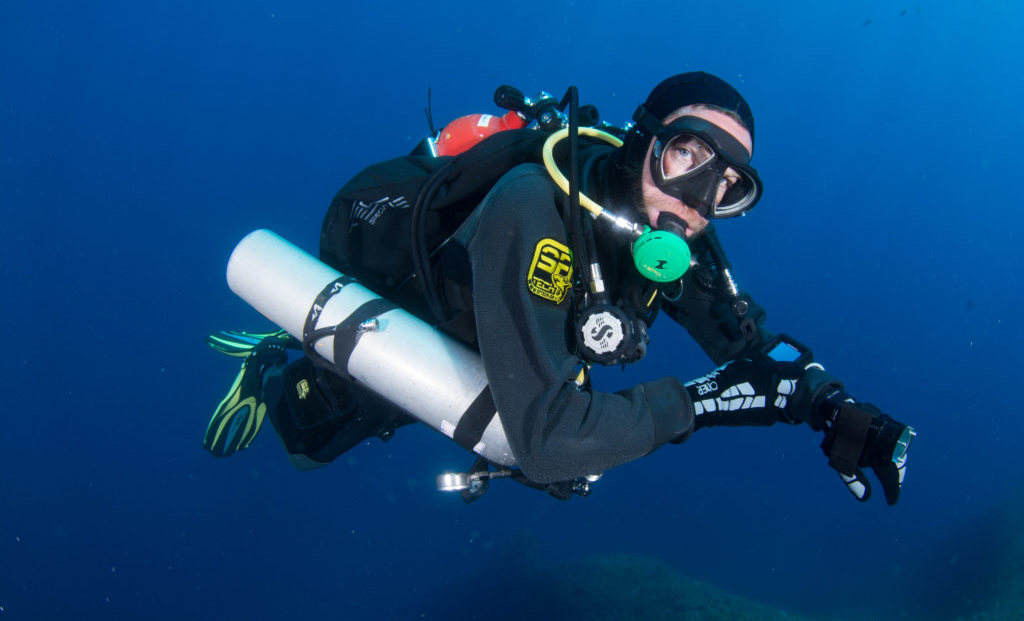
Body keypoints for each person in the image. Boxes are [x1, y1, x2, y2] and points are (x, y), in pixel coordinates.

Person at [203, 72, 914, 504]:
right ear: (643, 142)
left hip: (513, 355)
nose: (698, 199)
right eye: (688, 156)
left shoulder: (677, 234)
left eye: (727, 186)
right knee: (310, 438)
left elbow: (751, 346)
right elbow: (546, 441)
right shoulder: (532, 209)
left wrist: (833, 405)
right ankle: (272, 364)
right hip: (427, 319)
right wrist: (700, 402)